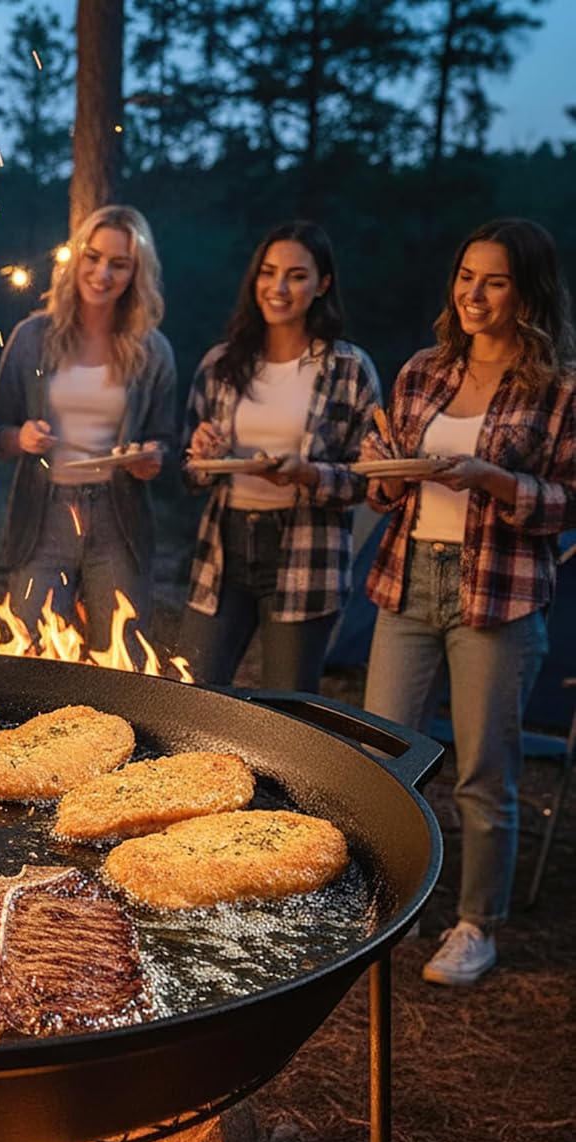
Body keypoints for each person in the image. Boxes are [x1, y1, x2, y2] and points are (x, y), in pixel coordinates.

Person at [358, 217, 576, 987]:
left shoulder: (557, 389)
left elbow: (566, 502)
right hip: (409, 577)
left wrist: (490, 478)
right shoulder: (423, 371)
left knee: (485, 770)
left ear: (528, 292)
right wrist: (382, 470)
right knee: (384, 756)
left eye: (495, 280)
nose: (474, 294)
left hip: (501, 592)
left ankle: (477, 923)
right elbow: (391, 491)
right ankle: (384, 904)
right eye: (465, 277)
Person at [177, 221, 380, 691]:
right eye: (268, 273)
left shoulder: (348, 368)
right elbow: (190, 472)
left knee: (288, 707)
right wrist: (204, 458)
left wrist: (309, 475)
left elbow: (370, 478)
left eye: (296, 275)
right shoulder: (221, 364)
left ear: (323, 284)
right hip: (223, 548)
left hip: (307, 551)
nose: (279, 288)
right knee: (193, 690)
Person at [0, 204, 176, 647]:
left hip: (119, 514)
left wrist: (151, 458)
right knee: (29, 644)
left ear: (137, 273)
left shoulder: (152, 349)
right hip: (44, 511)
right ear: (76, 259)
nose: (102, 273)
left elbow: (167, 440)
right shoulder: (32, 338)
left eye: (119, 264)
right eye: (93, 257)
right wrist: (23, 438)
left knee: (122, 650)